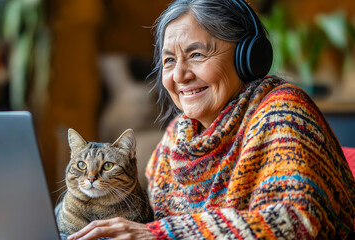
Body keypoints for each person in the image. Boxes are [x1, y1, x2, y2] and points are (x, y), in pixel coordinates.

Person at [68, 0, 355, 239]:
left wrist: (158, 234)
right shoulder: (172, 142)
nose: (179, 75)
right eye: (169, 60)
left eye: (196, 54)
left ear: (247, 56)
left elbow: (296, 223)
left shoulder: (283, 113)